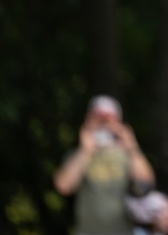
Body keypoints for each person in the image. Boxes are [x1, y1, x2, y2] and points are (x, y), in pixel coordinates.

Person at [53, 95, 157, 235]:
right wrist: (85, 151)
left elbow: (147, 183)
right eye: (98, 119)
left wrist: (132, 149)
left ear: (118, 122)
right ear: (87, 120)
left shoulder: (127, 155)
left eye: (108, 119)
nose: (103, 124)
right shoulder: (78, 155)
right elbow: (63, 186)